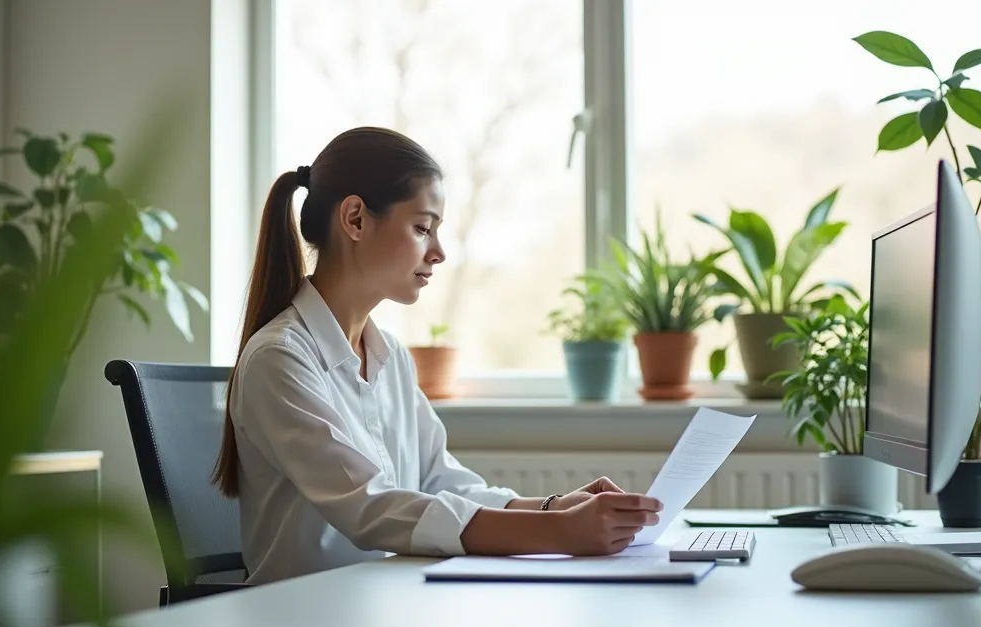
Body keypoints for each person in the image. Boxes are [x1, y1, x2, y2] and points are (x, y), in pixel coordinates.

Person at [211, 127, 663, 585]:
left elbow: (443, 482)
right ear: (355, 219)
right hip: (302, 626)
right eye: (422, 228)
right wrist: (556, 532)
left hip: (388, 605)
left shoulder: (391, 359)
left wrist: (554, 507)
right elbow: (370, 505)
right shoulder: (280, 359)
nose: (440, 252)